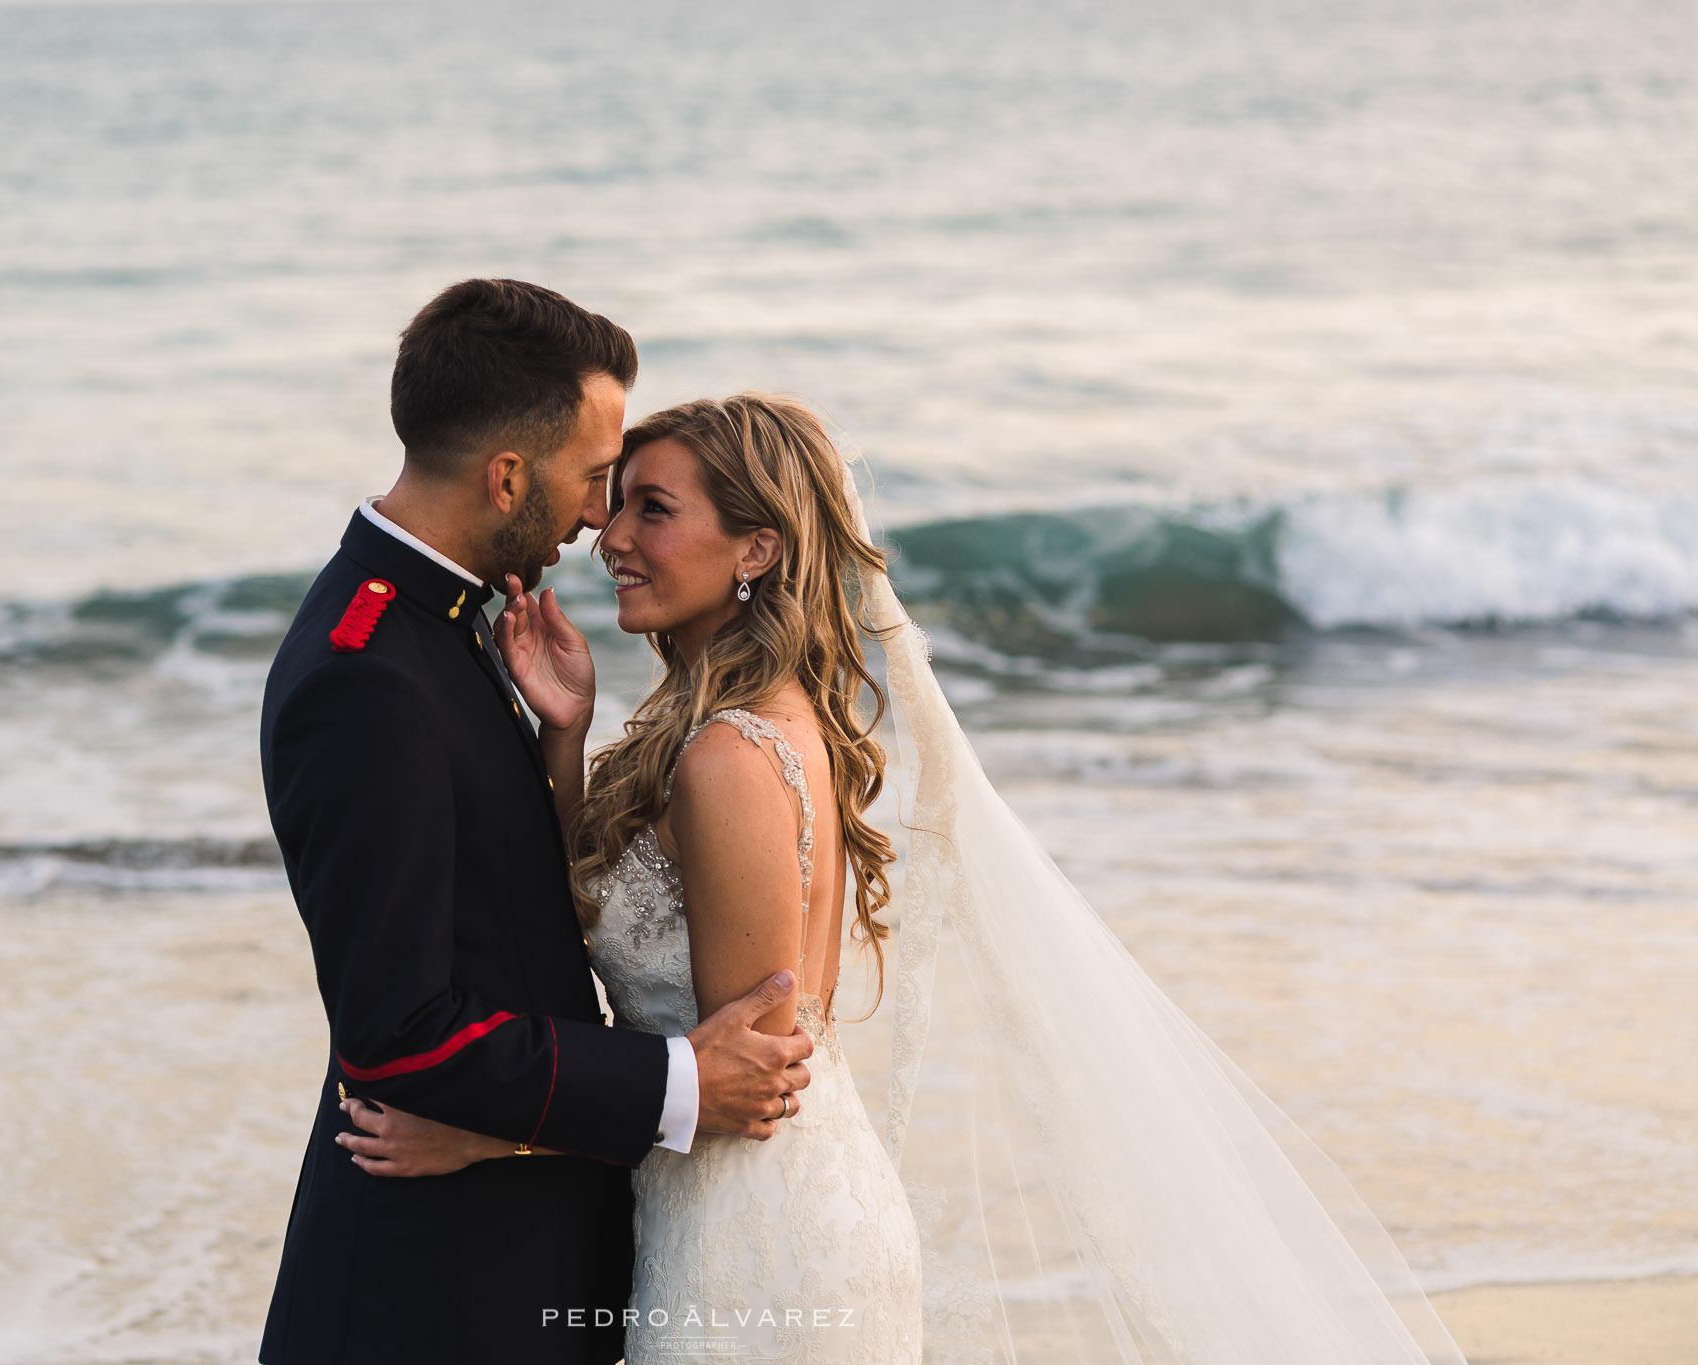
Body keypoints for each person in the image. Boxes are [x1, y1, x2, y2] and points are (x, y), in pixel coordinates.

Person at [350, 390, 1472, 1365]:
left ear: (755, 548)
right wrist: (564, 741)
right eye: (619, 499)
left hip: (761, 1248)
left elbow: (751, 1084)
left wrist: (494, 1135)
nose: (611, 536)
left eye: (654, 507)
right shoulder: (744, 725)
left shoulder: (729, 755)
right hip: (746, 1224)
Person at [256, 282, 816, 1365]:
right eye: (594, 479)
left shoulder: (443, 624)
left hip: (517, 1251)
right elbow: (400, 1031)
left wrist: (560, 747)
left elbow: (507, 923)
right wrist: (679, 1084)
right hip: (436, 1292)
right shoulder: (368, 672)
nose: (596, 519)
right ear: (507, 474)